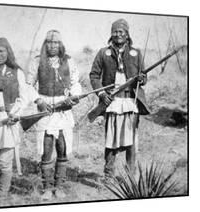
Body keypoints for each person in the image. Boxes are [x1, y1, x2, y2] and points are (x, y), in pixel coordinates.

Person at [0, 37, 46, 207]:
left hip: (8, 123)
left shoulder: (17, 72)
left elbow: (24, 97)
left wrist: (14, 114)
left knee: (6, 162)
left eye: (1, 51)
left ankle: (2, 199)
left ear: (8, 52)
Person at [89, 19, 150, 180]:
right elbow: (94, 75)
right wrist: (102, 94)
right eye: (115, 31)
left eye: (121, 31)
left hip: (131, 102)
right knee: (111, 141)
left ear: (127, 33)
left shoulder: (136, 53)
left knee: (131, 141)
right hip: (112, 103)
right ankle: (108, 176)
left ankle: (130, 176)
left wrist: (142, 79)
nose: (118, 34)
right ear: (111, 34)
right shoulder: (103, 53)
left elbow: (144, 77)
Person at [27, 30, 82, 200]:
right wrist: (38, 100)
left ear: (61, 44)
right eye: (49, 42)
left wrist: (73, 96)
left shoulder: (69, 61)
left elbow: (76, 83)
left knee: (62, 147)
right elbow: (28, 85)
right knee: (46, 148)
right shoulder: (37, 61)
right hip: (45, 111)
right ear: (45, 44)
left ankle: (59, 186)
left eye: (56, 42)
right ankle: (47, 188)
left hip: (63, 110)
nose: (52, 45)